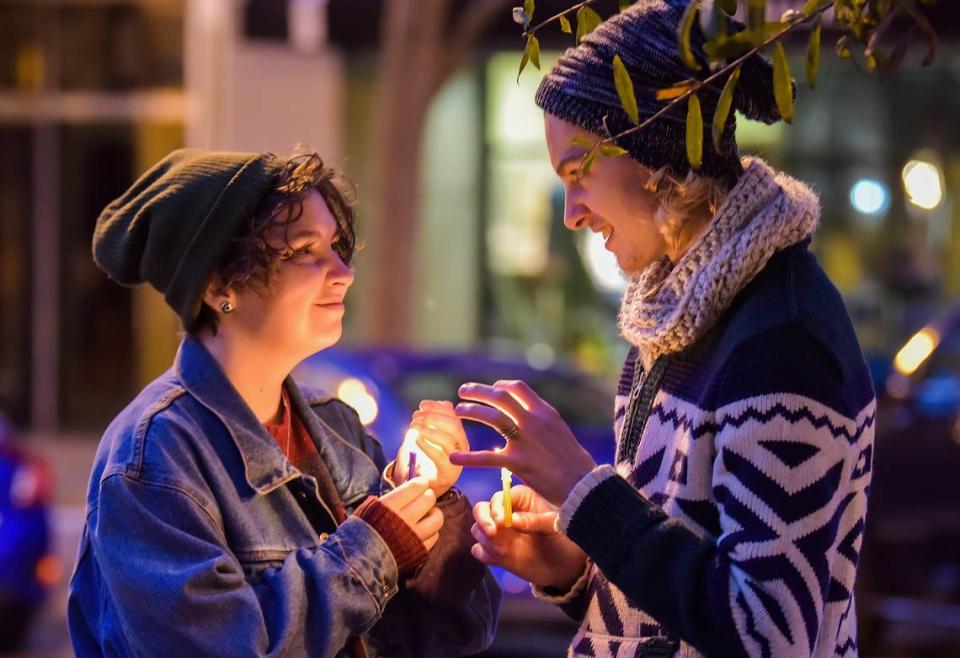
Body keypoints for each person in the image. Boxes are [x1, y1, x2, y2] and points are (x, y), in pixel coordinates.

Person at [444, 1, 875, 656]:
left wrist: (586, 495)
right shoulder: (674, 318)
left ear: (653, 152)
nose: (571, 214)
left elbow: (769, 634)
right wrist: (573, 564)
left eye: (578, 173)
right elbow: (674, 602)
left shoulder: (779, 342)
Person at [67, 148, 500, 658]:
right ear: (217, 285)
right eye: (303, 251)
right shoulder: (155, 455)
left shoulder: (337, 425)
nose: (342, 272)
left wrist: (434, 502)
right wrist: (374, 549)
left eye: (338, 248)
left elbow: (458, 633)